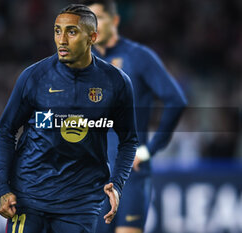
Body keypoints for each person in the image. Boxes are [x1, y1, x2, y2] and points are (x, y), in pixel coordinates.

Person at [0, 4, 139, 233]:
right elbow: (6, 130)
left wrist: (117, 184)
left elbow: (129, 140)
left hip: (80, 203)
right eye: (57, 31)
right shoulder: (34, 77)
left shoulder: (116, 83)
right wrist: (2, 188)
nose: (61, 39)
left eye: (71, 31)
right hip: (29, 196)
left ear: (92, 37)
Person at [80, 1, 188, 233]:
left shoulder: (138, 57)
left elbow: (176, 100)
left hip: (130, 174)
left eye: (99, 18)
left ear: (115, 20)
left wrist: (150, 149)